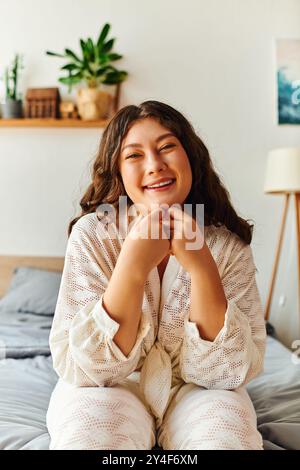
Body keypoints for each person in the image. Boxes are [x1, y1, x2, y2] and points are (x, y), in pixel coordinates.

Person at [46, 100, 266, 450]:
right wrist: (132, 267)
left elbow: (226, 373)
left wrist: (202, 267)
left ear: (190, 158)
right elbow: (92, 370)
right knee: (91, 435)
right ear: (117, 170)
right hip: (110, 386)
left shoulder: (227, 244)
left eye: (167, 147)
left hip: (198, 390)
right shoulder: (93, 233)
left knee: (227, 435)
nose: (154, 165)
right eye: (134, 155)